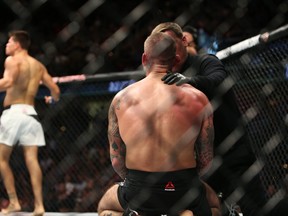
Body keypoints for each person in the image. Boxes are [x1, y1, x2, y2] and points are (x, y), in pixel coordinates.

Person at [151, 22, 268, 216]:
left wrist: (190, 81)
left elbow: (218, 79)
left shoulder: (206, 62)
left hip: (233, 154)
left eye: (171, 42)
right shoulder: (164, 76)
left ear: (184, 40)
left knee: (254, 209)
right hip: (201, 163)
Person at [97, 32, 217, 216]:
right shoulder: (198, 98)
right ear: (176, 59)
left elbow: (116, 159)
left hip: (140, 187)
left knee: (105, 206)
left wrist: (134, 181)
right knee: (215, 205)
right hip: (183, 185)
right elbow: (206, 159)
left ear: (144, 58)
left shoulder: (121, 99)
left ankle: (137, 212)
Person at [0, 30, 60, 215]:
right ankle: (39, 205)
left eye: (9, 42)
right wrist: (51, 99)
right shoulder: (38, 66)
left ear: (17, 44)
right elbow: (55, 90)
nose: (6, 45)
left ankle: (13, 202)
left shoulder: (12, 60)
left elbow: (9, 82)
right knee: (32, 159)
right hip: (31, 115)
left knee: (1, 159)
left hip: (13, 113)